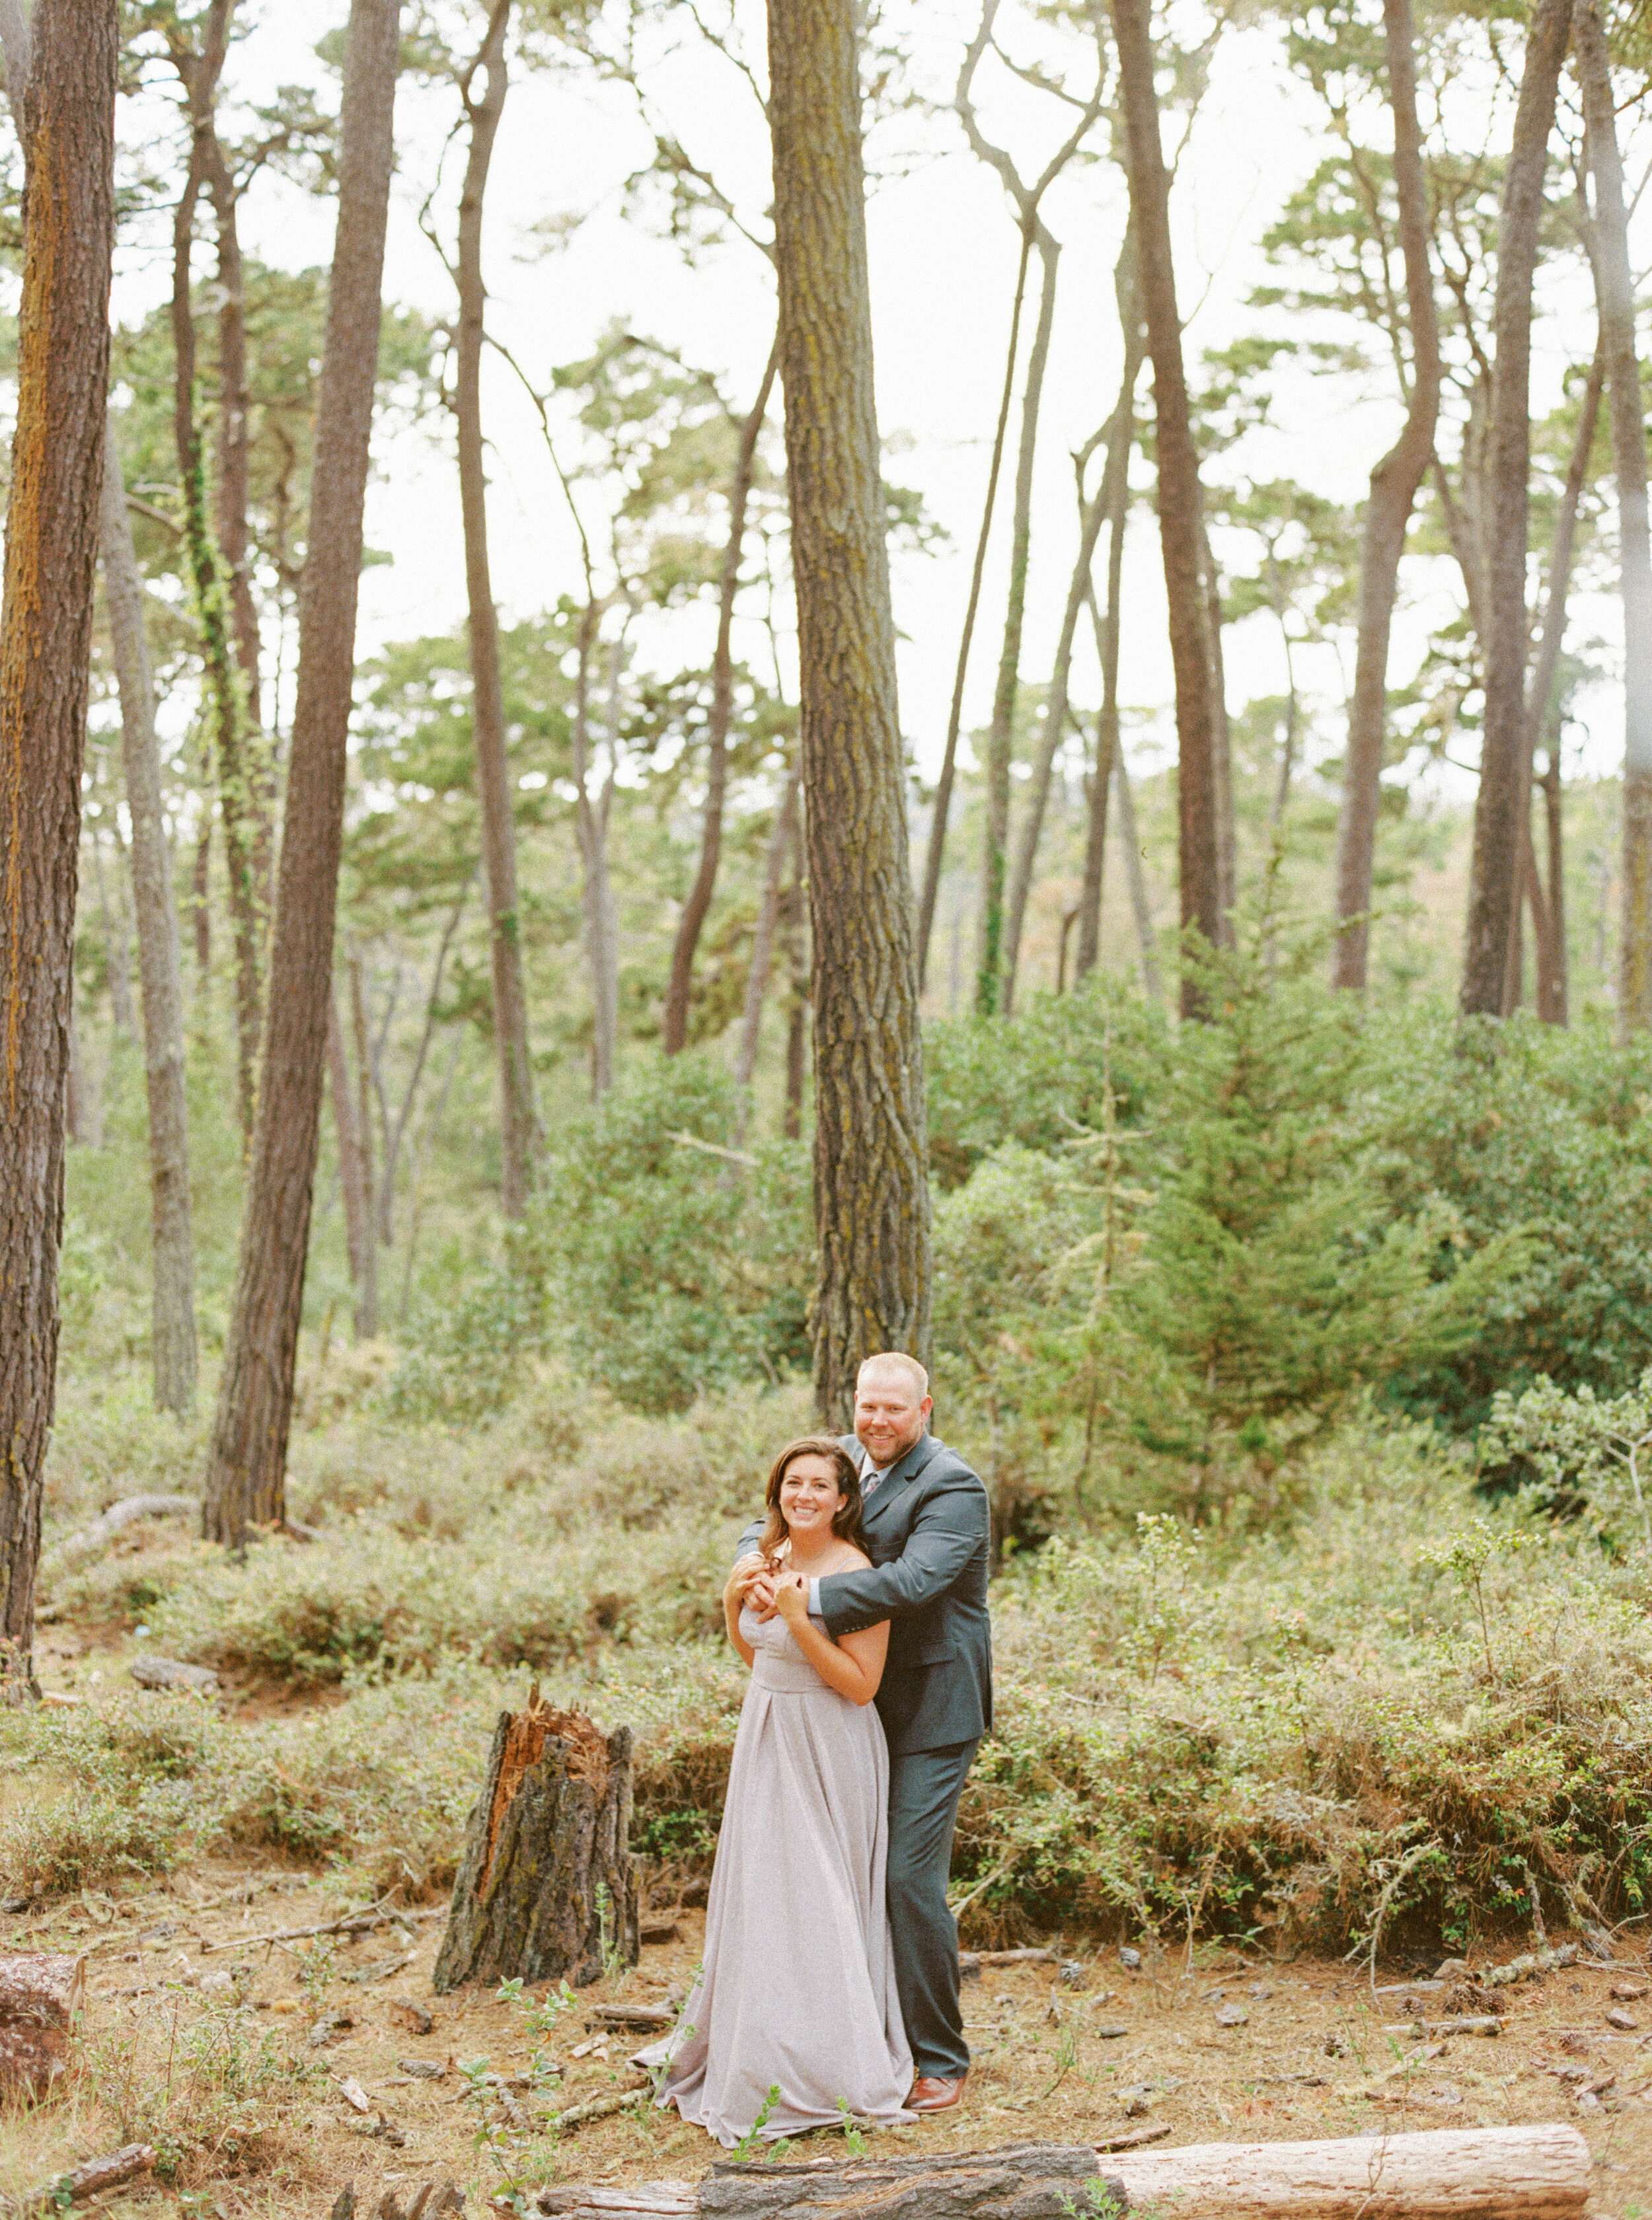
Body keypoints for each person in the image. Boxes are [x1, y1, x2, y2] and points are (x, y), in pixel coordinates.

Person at [637, 1436, 914, 2147]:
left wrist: (798, 1617)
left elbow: (860, 1687)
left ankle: (827, 2066)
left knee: (817, 1894)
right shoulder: (767, 1556)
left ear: (845, 1499)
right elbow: (754, 1656)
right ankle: (753, 2049)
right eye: (795, 1483)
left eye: (821, 1485)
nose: (805, 1496)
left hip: (828, 1745)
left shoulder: (857, 1575)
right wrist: (733, 1606)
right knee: (763, 1892)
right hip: (765, 1734)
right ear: (777, 1491)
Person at [741, 1353, 992, 2115]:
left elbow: (913, 1584)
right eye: (866, 1406)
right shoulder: (846, 1462)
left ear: (924, 1410)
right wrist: (750, 1566)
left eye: (893, 1408)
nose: (876, 1421)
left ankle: (940, 2058)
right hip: (847, 1705)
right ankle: (845, 2035)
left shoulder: (953, 1487)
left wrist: (801, 1593)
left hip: (929, 1710)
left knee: (906, 1882)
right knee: (834, 1873)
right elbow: (779, 1518)